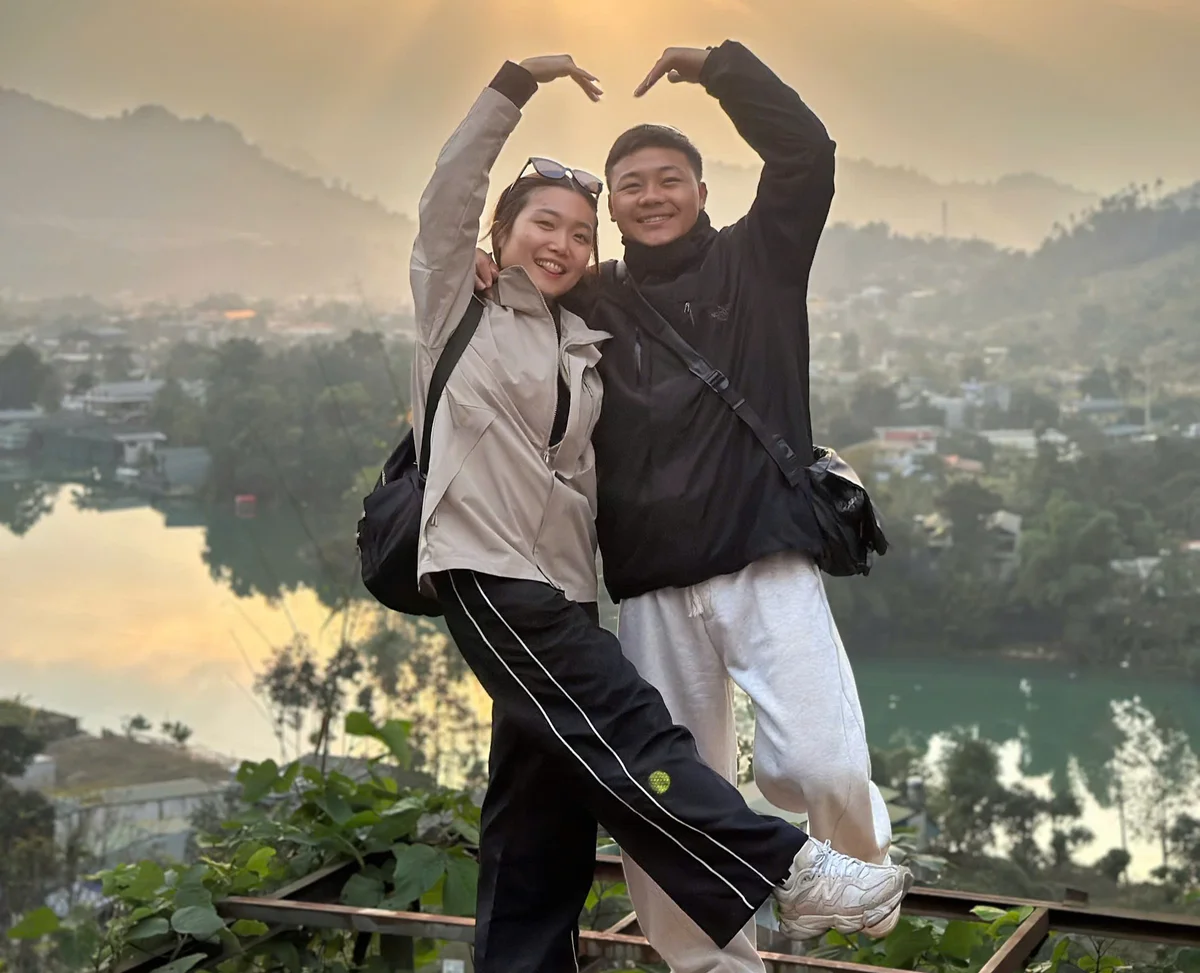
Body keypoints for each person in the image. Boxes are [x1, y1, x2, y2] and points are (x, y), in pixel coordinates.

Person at [415, 52, 910, 973]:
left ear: (699, 189)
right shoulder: (590, 298)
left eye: (666, 180)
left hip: (764, 560)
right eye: (629, 185)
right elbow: (486, 267)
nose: (649, 196)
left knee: (825, 763)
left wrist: (720, 69)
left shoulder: (757, 260)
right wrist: (488, 261)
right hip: (643, 587)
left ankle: (854, 871)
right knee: (660, 800)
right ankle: (713, 967)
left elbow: (806, 153)